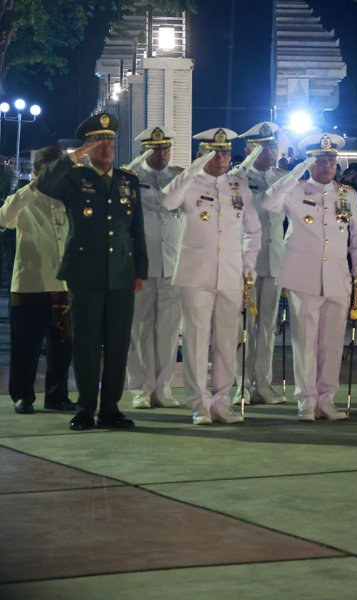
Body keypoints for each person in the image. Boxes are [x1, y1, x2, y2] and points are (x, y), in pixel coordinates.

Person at [37, 112, 148, 430]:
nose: (106, 146)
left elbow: (135, 228)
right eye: (99, 140)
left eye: (110, 140)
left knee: (117, 343)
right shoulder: (74, 178)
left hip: (121, 273)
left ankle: (110, 407)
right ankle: (86, 407)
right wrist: (74, 156)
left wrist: (139, 269)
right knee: (85, 343)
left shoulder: (128, 181)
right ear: (88, 145)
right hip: (85, 273)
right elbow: (44, 185)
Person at [262, 133, 357, 421]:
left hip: (337, 277)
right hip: (304, 277)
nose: (327, 165)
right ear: (310, 162)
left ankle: (326, 398)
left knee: (332, 342)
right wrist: (296, 171)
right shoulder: (295, 190)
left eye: (331, 159)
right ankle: (306, 400)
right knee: (305, 340)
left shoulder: (348, 194)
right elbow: (269, 203)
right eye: (320, 160)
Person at [161, 128, 262, 425]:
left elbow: (253, 231)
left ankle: (221, 401)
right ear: (201, 153)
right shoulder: (188, 183)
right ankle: (198, 403)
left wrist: (248, 264)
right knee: (195, 340)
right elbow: (167, 203)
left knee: (227, 341)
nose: (221, 158)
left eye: (226, 153)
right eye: (214, 152)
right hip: (195, 274)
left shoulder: (238, 186)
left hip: (230, 273)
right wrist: (193, 169)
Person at [0, 146, 75, 415]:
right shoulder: (24, 198)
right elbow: (4, 218)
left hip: (62, 285)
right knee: (26, 345)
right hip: (30, 284)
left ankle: (57, 395)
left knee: (62, 346)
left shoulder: (66, 198)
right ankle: (23, 395)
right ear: (38, 172)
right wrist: (32, 187)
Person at [125, 126, 184, 410]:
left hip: (173, 262)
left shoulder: (178, 176)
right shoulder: (131, 177)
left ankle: (163, 388)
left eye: (165, 148)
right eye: (155, 148)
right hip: (141, 263)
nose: (161, 153)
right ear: (145, 150)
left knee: (169, 331)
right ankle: (140, 388)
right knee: (140, 329)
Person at [231, 122, 289, 405]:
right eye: (263, 145)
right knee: (244, 326)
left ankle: (263, 384)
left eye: (272, 145)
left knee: (267, 327)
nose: (269, 150)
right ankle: (241, 383)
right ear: (248, 148)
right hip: (246, 263)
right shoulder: (236, 179)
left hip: (274, 261)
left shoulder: (281, 177)